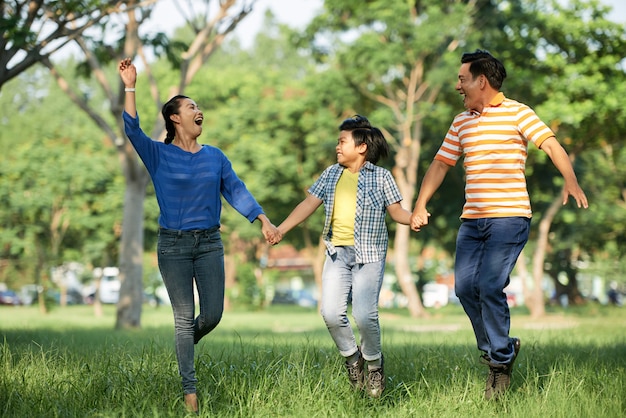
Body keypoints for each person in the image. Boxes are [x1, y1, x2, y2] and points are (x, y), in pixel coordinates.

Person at [410, 49, 588, 400]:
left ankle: (498, 363)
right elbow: (441, 164)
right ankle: (500, 349)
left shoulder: (517, 112)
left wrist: (571, 180)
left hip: (509, 217)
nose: (458, 85)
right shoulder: (461, 122)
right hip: (472, 221)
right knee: (463, 289)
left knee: (490, 285)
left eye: (463, 79)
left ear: (482, 81)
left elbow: (550, 145)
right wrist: (419, 204)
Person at [118, 58, 278, 414]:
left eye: (199, 107)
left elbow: (236, 190)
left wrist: (263, 221)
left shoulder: (215, 157)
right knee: (182, 318)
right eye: (192, 107)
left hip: (208, 244)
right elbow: (131, 129)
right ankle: (190, 393)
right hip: (173, 246)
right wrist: (131, 85)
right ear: (175, 118)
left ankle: (183, 344)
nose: (199, 110)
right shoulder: (158, 155)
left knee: (213, 315)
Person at [270, 115, 413, 398]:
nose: (337, 147)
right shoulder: (331, 174)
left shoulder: (381, 176)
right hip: (337, 253)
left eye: (342, 141)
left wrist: (414, 219)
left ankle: (374, 366)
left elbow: (397, 212)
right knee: (331, 313)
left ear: (361, 147)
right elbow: (309, 203)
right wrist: (281, 229)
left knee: (363, 314)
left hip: (369, 254)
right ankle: (353, 359)